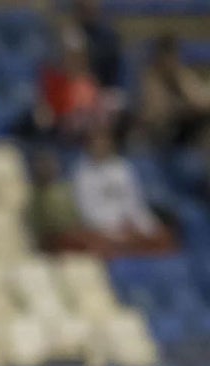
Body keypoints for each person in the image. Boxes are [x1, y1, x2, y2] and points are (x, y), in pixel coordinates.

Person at [72, 126, 176, 256]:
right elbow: (86, 211)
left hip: (128, 224)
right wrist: (114, 226)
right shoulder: (82, 174)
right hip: (101, 227)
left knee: (163, 237)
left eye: (104, 142)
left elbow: (135, 201)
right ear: (89, 146)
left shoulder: (123, 168)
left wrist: (145, 225)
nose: (101, 146)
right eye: (97, 142)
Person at [139, 34, 210, 149]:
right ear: (160, 58)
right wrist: (183, 107)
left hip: (186, 135)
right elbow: (158, 113)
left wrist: (180, 83)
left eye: (175, 55)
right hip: (157, 140)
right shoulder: (150, 78)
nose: (172, 61)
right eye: (168, 56)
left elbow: (202, 102)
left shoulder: (180, 74)